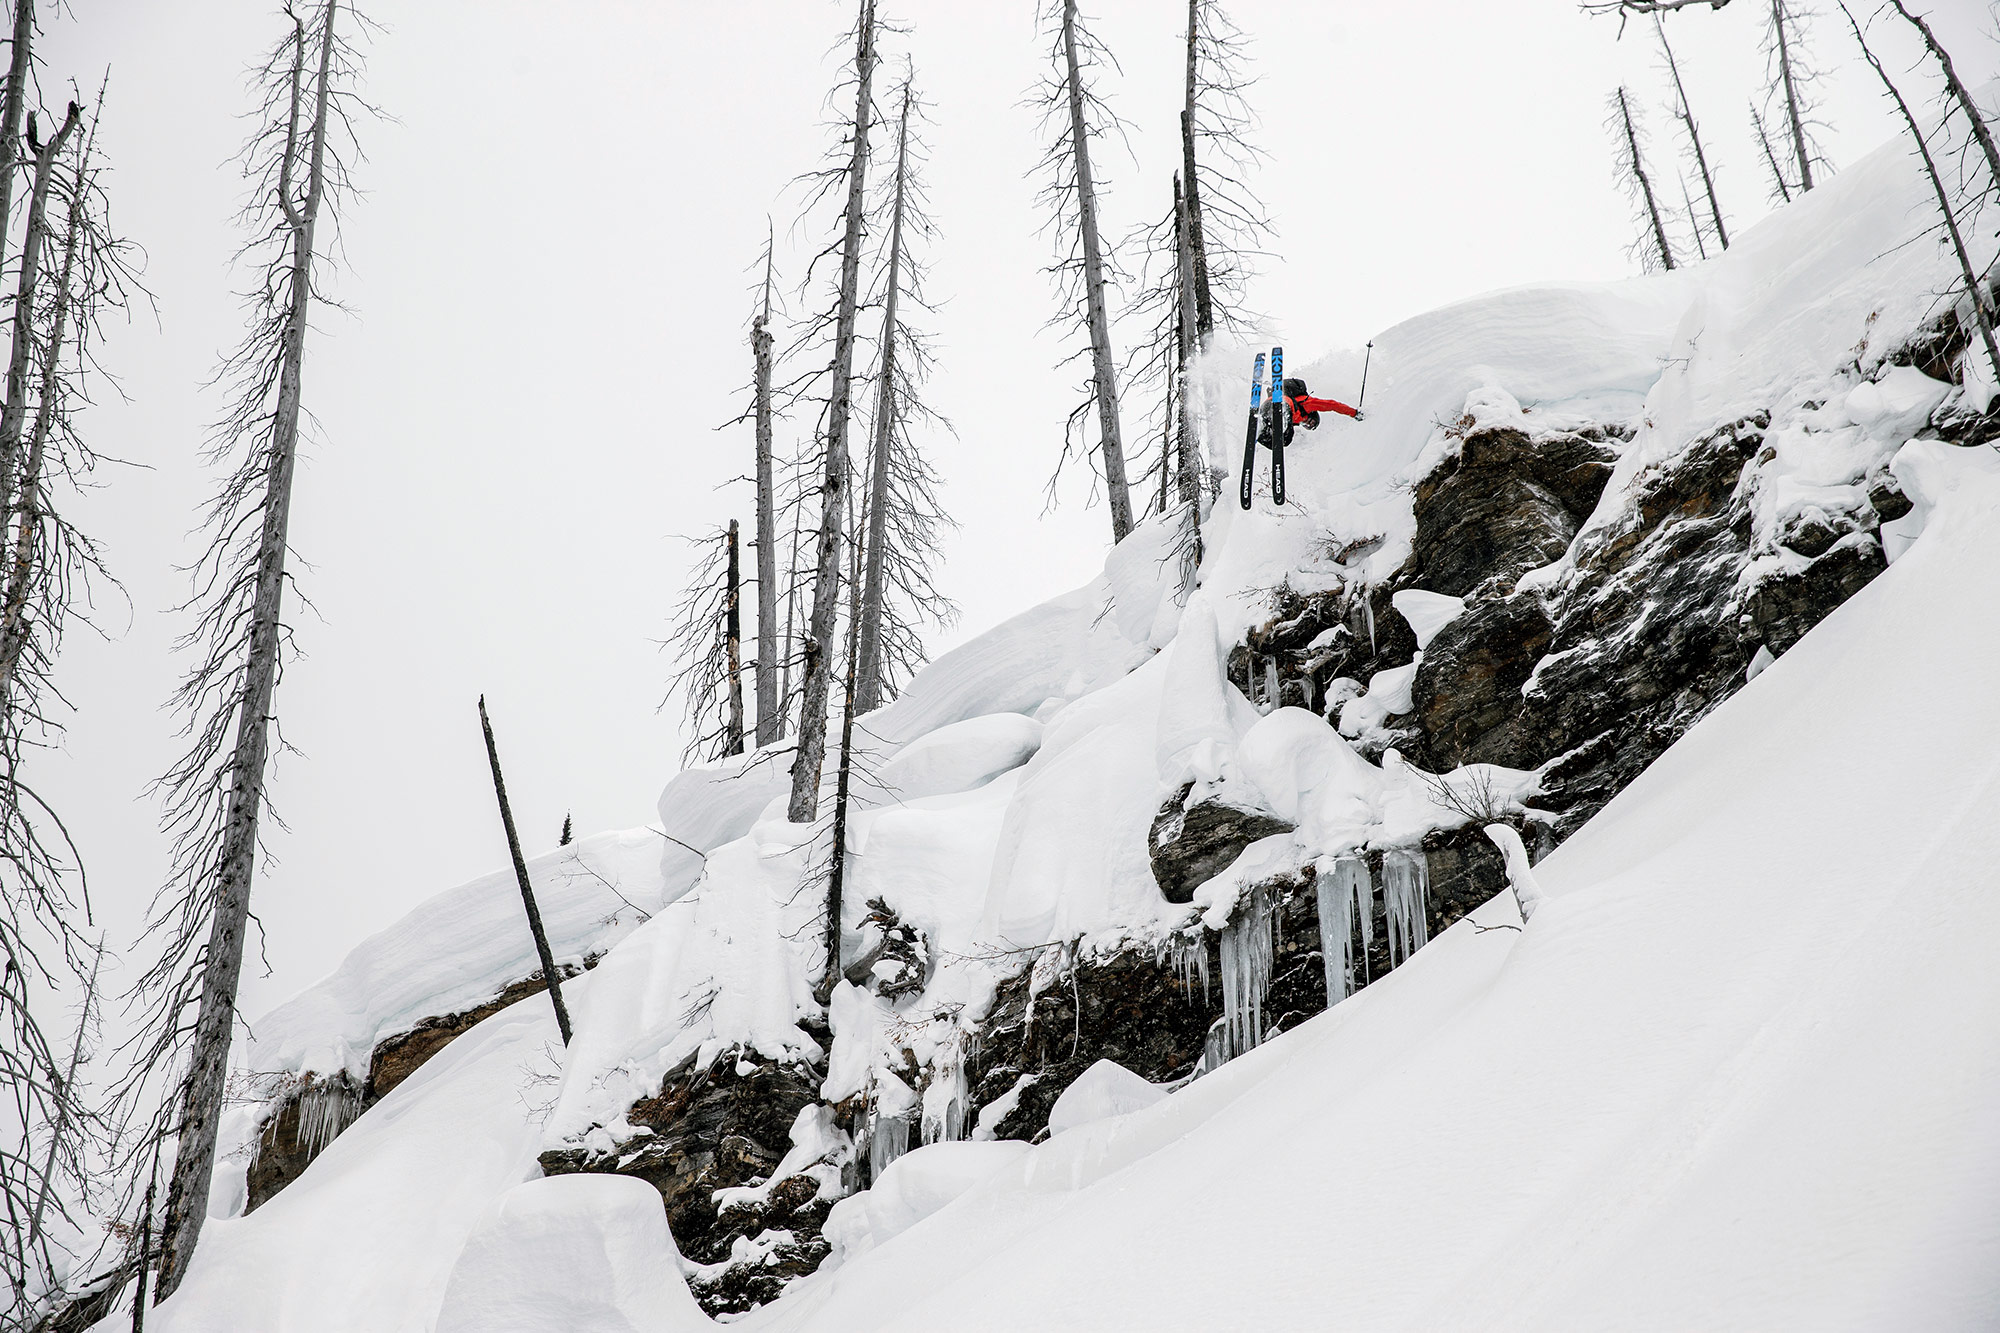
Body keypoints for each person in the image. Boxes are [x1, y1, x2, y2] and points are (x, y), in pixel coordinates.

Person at [1260, 376, 1362, 446]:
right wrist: (1354, 413)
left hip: (1266, 411)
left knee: (1284, 442)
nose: (1308, 424)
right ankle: (1276, 417)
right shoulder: (1307, 404)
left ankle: (1260, 432)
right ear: (1312, 415)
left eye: (1309, 426)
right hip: (1281, 405)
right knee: (1287, 431)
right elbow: (1332, 405)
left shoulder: (1296, 421)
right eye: (1312, 422)